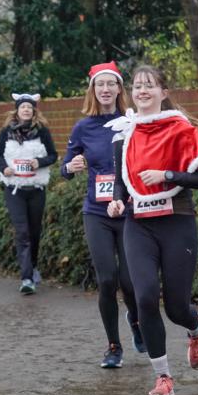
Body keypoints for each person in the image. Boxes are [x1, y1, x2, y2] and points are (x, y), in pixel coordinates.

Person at [106, 65, 198, 395]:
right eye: (138, 86)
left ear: (163, 92)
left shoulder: (180, 129)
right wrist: (116, 202)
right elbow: (121, 182)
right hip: (138, 225)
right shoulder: (124, 133)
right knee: (143, 298)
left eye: (150, 85)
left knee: (175, 307)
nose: (142, 91)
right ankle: (163, 378)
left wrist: (168, 174)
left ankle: (195, 327)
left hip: (177, 222)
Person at [61, 61, 144, 369]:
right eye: (100, 85)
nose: (106, 89)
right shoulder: (83, 127)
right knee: (107, 279)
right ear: (93, 90)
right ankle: (113, 346)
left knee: (131, 281)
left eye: (112, 84)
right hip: (96, 212)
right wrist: (71, 166)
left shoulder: (132, 122)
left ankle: (136, 322)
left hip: (128, 210)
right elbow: (65, 168)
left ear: (120, 89)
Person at [0, 93, 58, 294]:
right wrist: (4, 168)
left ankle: (34, 265)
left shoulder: (42, 131)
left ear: (34, 111)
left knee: (34, 232)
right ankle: (27, 278)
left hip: (36, 189)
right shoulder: (6, 131)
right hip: (15, 189)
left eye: (30, 107)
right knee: (22, 232)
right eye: (23, 107)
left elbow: (53, 155)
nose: (26, 110)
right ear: (17, 110)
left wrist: (39, 162)